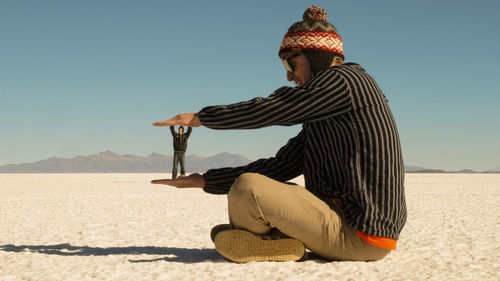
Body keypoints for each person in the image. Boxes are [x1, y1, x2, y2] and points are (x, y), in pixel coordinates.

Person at [152, 6, 406, 263]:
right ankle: (276, 242)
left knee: (247, 189)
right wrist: (204, 181)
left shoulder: (347, 81)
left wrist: (203, 117)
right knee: (247, 185)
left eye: (290, 62)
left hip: (361, 233)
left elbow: (278, 108)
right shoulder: (325, 117)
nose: (288, 75)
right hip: (337, 221)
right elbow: (279, 166)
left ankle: (271, 241)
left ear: (315, 57)